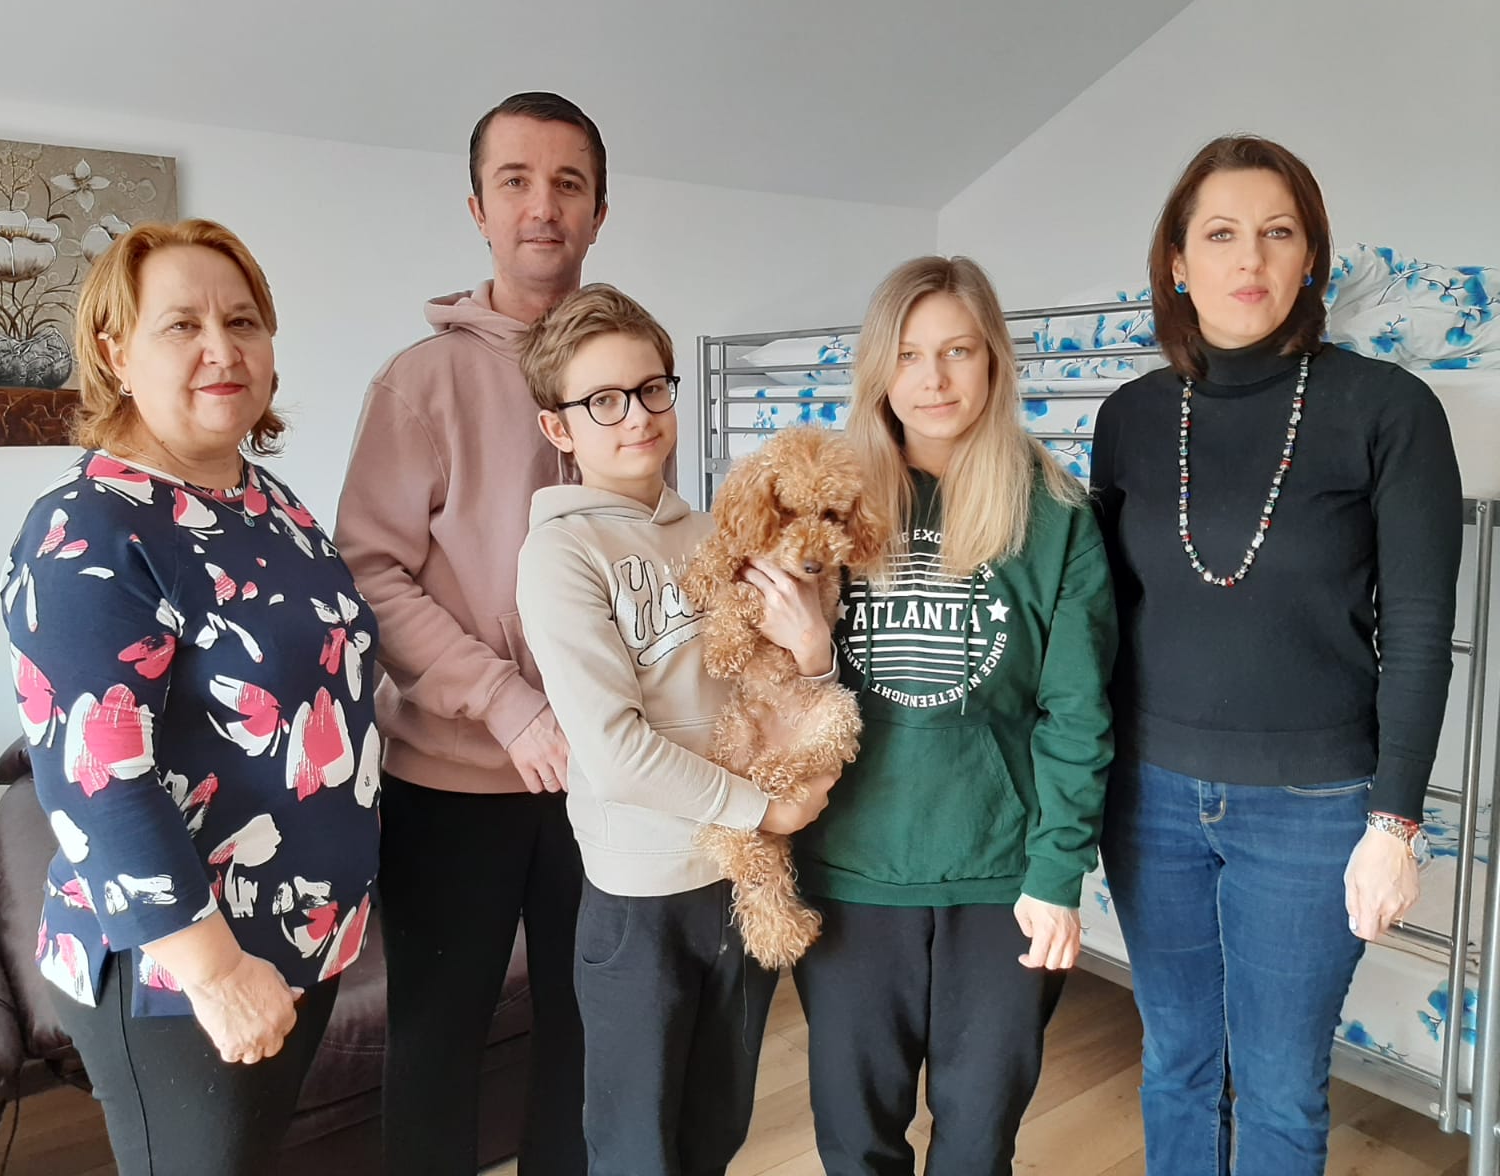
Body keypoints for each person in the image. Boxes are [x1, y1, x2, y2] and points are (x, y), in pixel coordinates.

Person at [1090, 134, 1465, 1176]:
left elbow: (1419, 630)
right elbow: (1099, 620)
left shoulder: (1389, 410)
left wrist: (1394, 824)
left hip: (1312, 808)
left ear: (1310, 257)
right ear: (1177, 262)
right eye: (1219, 234)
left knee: (1280, 1086)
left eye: (1277, 231)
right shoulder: (1128, 418)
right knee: (1174, 1064)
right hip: (1146, 798)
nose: (1248, 257)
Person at [1, 219, 381, 1175]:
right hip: (183, 969)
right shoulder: (87, 528)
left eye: (243, 321)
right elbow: (96, 780)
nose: (224, 348)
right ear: (114, 353)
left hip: (297, 931)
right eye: (182, 325)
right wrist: (215, 971)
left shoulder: (270, 504)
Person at [790, 255, 1117, 1175]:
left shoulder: (1055, 514)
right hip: (851, 867)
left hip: (1002, 878)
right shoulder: (826, 508)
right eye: (908, 354)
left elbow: (1077, 712)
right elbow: (771, 689)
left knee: (978, 1143)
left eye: (958, 351)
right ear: (878, 370)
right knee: (855, 1140)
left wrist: (1058, 872)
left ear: (993, 361)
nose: (932, 379)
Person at [333, 91, 607, 1174]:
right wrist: (505, 700)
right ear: (478, 209)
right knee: (437, 1048)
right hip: (450, 787)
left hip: (598, 780)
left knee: (585, 1038)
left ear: (597, 213)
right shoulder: (422, 380)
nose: (543, 205)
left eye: (568, 184)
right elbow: (369, 572)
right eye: (516, 181)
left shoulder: (624, 372)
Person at [512, 283, 837, 1173]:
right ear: (558, 428)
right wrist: (764, 810)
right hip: (641, 896)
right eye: (604, 401)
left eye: (652, 388)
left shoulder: (717, 535)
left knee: (715, 1129)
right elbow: (614, 751)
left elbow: (777, 682)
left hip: (744, 880)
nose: (638, 417)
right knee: (636, 1147)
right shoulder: (561, 554)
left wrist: (816, 656)